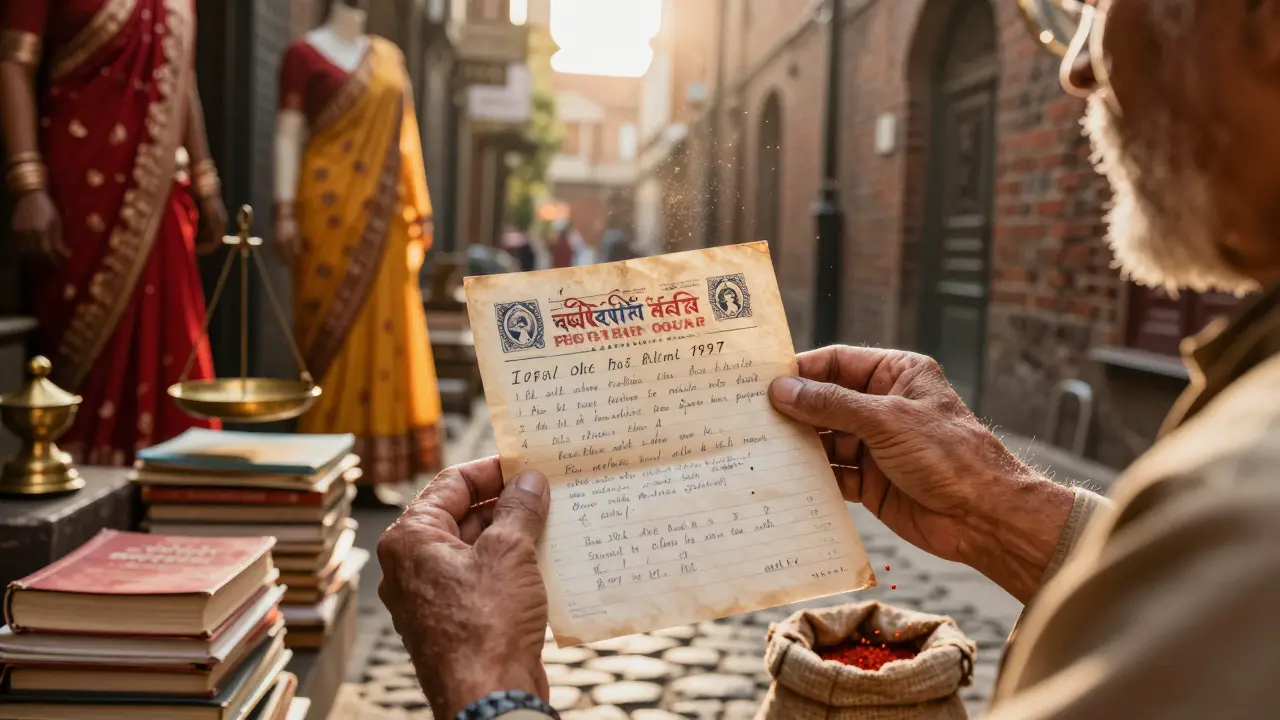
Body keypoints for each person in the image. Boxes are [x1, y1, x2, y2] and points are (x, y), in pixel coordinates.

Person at [377, 2, 1280, 718]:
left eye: (1095, 1)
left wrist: (488, 683)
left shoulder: (1247, 494)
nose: (1077, 61)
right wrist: (1009, 511)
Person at [0, 0, 227, 465]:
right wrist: (28, 184)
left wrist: (205, 178)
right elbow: (13, 64)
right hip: (81, 189)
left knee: (169, 339)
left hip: (162, 198)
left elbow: (181, 80)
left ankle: (175, 495)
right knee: (81, 348)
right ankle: (79, 485)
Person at [274, 2, 444, 501]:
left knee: (385, 329)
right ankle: (325, 453)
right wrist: (283, 208)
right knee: (325, 328)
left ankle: (374, 468)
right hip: (324, 211)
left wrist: (419, 202)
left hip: (384, 218)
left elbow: (407, 139)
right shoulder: (302, 55)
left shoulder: (389, 56)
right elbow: (287, 135)